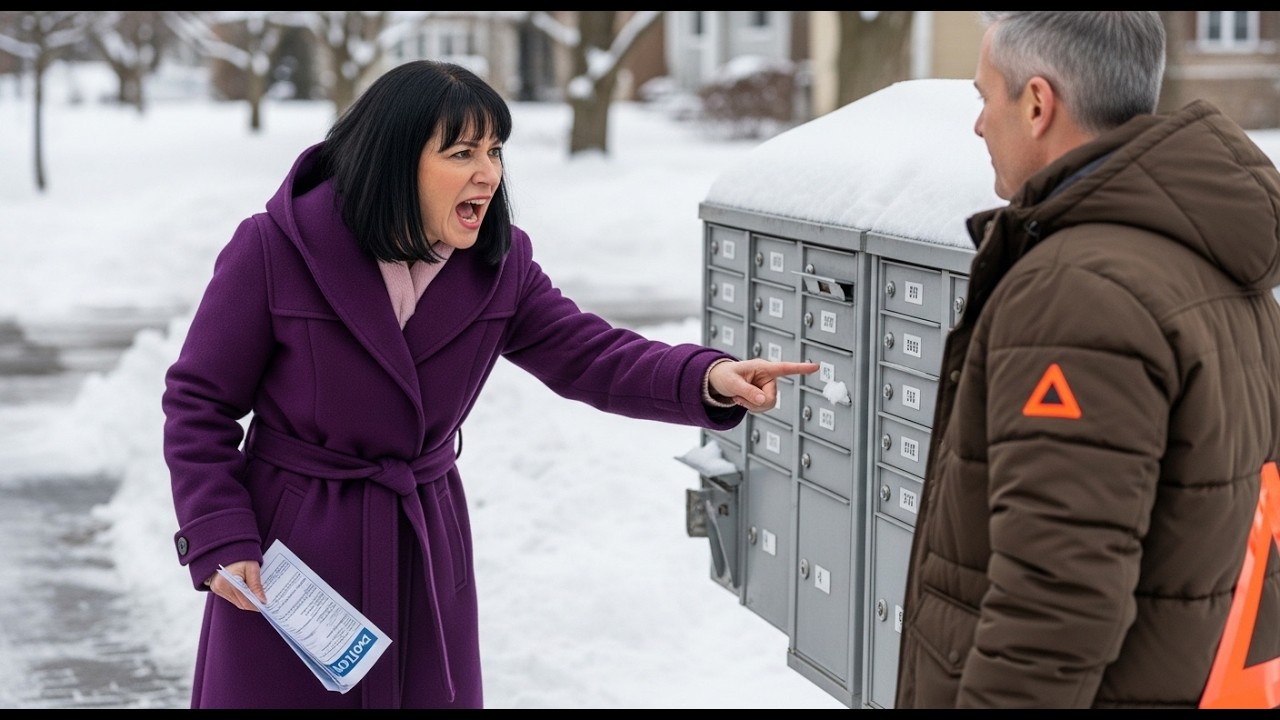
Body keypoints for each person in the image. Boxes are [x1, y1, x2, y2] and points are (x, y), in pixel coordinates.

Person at [161, 59, 818, 709]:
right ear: (395, 159)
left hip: (420, 538)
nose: (488, 173)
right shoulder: (276, 249)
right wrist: (219, 534)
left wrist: (707, 377)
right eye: (461, 153)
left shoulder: (500, 267)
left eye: (495, 150)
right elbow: (199, 402)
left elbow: (590, 354)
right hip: (292, 550)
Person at [896, 11, 1280, 709]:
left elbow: (1053, 605)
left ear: (1037, 105)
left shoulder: (1075, 293)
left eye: (985, 97)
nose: (978, 125)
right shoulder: (1216, 262)